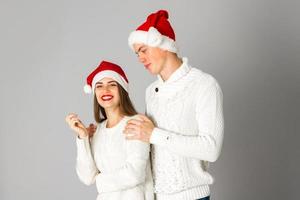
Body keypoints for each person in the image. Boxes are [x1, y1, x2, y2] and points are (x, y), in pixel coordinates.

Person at [124, 10, 224, 200]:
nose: (140, 59)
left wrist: (153, 134)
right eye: (137, 53)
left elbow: (211, 149)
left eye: (143, 50)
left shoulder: (204, 84)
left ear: (163, 44)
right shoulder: (150, 92)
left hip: (193, 197)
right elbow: (152, 150)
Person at [65, 61, 153, 200]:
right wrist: (83, 138)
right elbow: (87, 177)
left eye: (112, 85)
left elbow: (135, 175)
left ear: (122, 90)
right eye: (99, 86)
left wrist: (99, 180)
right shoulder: (97, 131)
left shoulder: (136, 123)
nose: (105, 90)